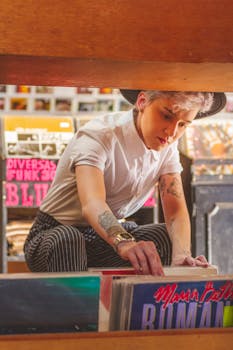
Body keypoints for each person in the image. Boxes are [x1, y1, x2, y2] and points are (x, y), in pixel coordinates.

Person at [24, 89, 226, 275]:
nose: (172, 132)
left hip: (101, 240)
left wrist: (182, 256)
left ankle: (140, 310)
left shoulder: (168, 146)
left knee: (165, 238)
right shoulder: (98, 136)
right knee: (68, 240)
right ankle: (80, 314)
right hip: (52, 235)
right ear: (142, 101)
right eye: (166, 116)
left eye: (182, 125)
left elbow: (175, 211)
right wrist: (124, 242)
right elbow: (92, 204)